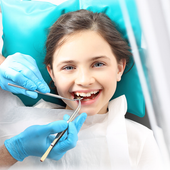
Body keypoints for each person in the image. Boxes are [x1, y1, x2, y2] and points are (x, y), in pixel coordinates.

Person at [0, 9, 162, 169]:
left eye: (98, 64)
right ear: (52, 74)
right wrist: (14, 151)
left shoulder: (140, 141)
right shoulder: (15, 119)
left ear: (119, 68)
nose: (84, 81)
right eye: (69, 67)